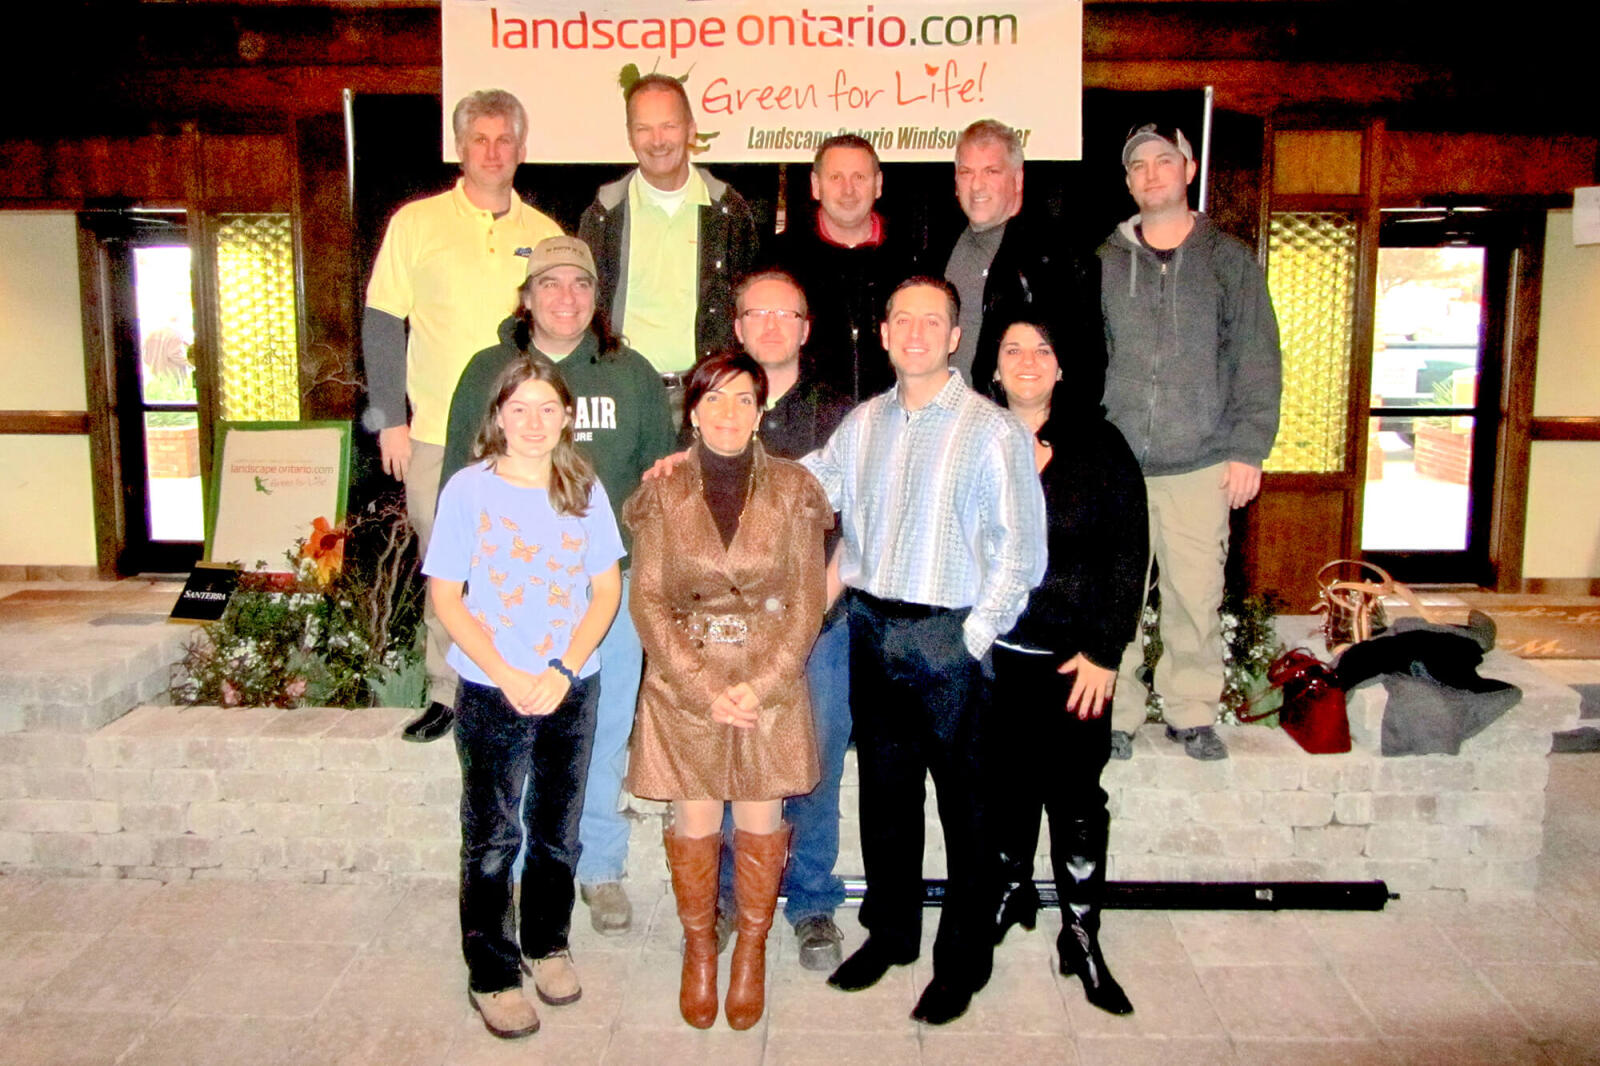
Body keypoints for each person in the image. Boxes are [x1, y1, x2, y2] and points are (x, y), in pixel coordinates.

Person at [802, 277, 1047, 1026]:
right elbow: (805, 487)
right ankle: (892, 934)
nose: (914, 332)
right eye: (901, 319)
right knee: (886, 796)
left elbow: (1021, 554)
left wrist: (970, 638)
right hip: (871, 629)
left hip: (950, 636)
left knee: (969, 810)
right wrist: (706, 469)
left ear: (952, 337)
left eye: (931, 321)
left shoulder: (990, 429)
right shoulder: (863, 423)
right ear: (882, 334)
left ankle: (963, 959)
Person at [441, 235, 676, 936]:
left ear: (596, 295)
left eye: (579, 283)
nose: (565, 297)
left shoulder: (630, 374)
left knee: (598, 737)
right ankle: (510, 875)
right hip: (504, 601)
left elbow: (658, 480)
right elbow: (460, 472)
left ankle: (597, 867)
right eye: (550, 283)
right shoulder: (487, 370)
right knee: (510, 742)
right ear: (528, 294)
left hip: (607, 588)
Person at [623, 351, 831, 1030]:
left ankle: (752, 952)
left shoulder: (796, 488)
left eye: (745, 399)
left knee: (760, 820)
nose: (730, 413)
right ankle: (701, 951)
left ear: (762, 409)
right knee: (697, 818)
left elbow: (806, 603)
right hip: (686, 677)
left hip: (771, 674)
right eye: (715, 399)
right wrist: (704, 685)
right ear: (692, 409)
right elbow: (649, 600)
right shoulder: (661, 490)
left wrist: (763, 686)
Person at [422, 358, 624, 1039]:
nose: (534, 423)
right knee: (492, 835)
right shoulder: (468, 491)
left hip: (571, 683)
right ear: (499, 417)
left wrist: (564, 669)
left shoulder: (583, 487)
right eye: (520, 409)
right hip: (491, 687)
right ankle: (492, 972)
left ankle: (546, 943)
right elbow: (446, 597)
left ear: (566, 417)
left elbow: (606, 591)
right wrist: (507, 672)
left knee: (556, 828)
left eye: (547, 409)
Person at [364, 89, 562, 743]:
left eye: (505, 139)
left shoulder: (546, 237)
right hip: (435, 435)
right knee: (447, 562)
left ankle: (527, 679)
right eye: (480, 138)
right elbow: (382, 321)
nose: (493, 151)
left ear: (522, 150)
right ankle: (448, 693)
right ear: (460, 148)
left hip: (525, 439)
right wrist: (389, 415)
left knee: (527, 561)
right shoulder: (415, 224)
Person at [1101, 123, 1283, 761]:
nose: (1152, 174)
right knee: (1115, 597)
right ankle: (1115, 713)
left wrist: (1248, 447)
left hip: (1200, 461)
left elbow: (1256, 359)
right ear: (1128, 181)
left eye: (1163, 161)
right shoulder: (1104, 261)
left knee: (1195, 596)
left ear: (1188, 167)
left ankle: (1190, 711)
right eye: (1139, 166)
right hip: (1118, 466)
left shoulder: (1228, 260)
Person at [983, 317, 1148, 1016]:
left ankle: (1080, 933)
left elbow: (1128, 551)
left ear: (1060, 368)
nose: (1027, 361)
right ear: (992, 367)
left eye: (1042, 350)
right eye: (1012, 350)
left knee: (1077, 799)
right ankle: (1009, 891)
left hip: (1076, 661)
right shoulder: (972, 440)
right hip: (994, 656)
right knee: (1003, 787)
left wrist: (1107, 651)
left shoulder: (1100, 445)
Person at [708, 269, 856, 971]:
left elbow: (862, 529)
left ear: (805, 327)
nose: (770, 325)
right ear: (736, 327)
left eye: (785, 314)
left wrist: (805, 617)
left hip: (819, 625)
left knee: (814, 762)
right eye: (755, 313)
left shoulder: (846, 415)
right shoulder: (714, 407)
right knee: (738, 759)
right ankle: (735, 891)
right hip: (730, 632)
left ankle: (813, 901)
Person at [578, 73, 759, 423]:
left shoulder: (730, 211)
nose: (657, 140)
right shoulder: (602, 215)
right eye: (644, 128)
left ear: (691, 130)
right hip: (621, 395)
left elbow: (748, 311)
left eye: (669, 126)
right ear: (630, 135)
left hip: (707, 398)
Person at [764, 134, 917, 401]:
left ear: (878, 184)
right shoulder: (778, 261)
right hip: (804, 422)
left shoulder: (911, 262)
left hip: (892, 418)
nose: (848, 190)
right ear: (815, 184)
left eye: (859, 177)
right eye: (836, 178)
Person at [941, 120, 1071, 387]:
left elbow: (1078, 368)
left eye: (991, 171)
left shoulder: (1054, 261)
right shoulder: (936, 253)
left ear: (1018, 179)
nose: (977, 185)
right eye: (966, 172)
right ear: (956, 181)